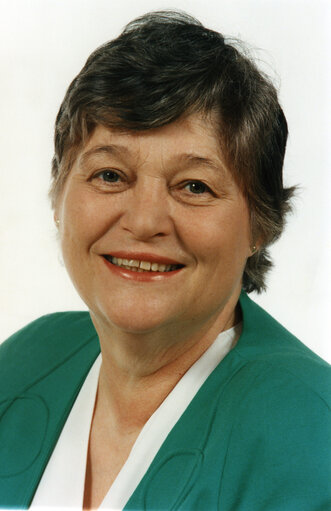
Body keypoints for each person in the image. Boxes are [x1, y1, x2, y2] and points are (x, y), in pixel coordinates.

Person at [0, 10, 330, 511]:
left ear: (260, 224)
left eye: (194, 186)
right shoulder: (25, 360)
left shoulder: (312, 435)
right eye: (110, 175)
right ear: (58, 196)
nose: (144, 220)